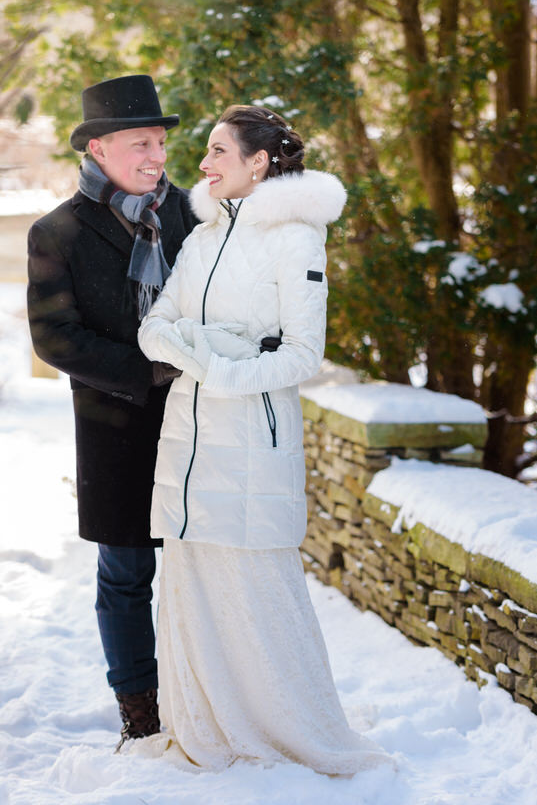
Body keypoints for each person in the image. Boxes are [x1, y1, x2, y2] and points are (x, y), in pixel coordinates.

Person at [135, 105, 391, 774]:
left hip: (251, 439)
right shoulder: (201, 236)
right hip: (189, 443)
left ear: (259, 162)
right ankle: (207, 726)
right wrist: (181, 344)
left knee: (255, 588)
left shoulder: (295, 239)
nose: (205, 163)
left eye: (219, 151)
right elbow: (157, 321)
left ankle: (288, 727)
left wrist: (220, 369)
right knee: (192, 583)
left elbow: (303, 354)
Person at [27, 74, 197, 748]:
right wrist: (147, 368)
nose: (155, 154)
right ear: (98, 148)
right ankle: (140, 710)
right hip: (113, 424)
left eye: (159, 140)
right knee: (126, 574)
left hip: (197, 421)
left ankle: (201, 695)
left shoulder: (197, 214)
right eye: (139, 142)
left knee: (199, 568)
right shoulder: (56, 231)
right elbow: (54, 337)